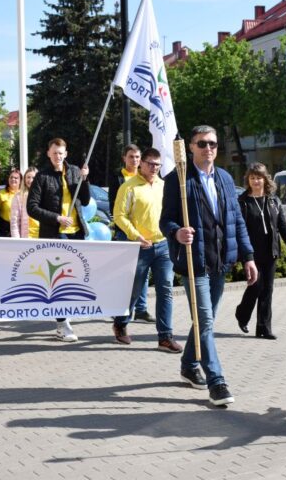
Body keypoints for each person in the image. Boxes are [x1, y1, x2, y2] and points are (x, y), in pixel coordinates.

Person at [160, 125, 258, 406]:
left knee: (205, 321)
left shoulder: (226, 179)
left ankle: (189, 365)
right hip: (194, 262)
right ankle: (216, 381)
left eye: (213, 144)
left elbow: (237, 220)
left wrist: (248, 256)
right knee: (204, 322)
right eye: (202, 143)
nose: (208, 148)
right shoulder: (177, 180)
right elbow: (164, 220)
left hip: (220, 262)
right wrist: (176, 231)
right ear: (190, 147)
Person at [111, 148, 181, 351]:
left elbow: (172, 213)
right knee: (133, 291)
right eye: (150, 163)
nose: (154, 168)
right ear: (141, 163)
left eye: (157, 165)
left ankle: (165, 336)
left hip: (163, 246)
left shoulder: (164, 186)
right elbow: (119, 215)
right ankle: (121, 324)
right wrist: (135, 236)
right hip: (138, 247)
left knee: (165, 290)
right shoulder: (129, 187)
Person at [27, 138, 90, 342]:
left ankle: (67, 315)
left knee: (74, 277)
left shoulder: (73, 171)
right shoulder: (42, 177)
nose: (58, 156)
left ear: (66, 153)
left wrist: (85, 179)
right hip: (55, 233)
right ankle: (62, 324)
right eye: (55, 153)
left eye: (61, 153)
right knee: (59, 279)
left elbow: (86, 200)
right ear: (48, 154)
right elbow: (32, 207)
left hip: (76, 232)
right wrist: (56, 218)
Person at [235, 163, 286, 339]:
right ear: (248, 180)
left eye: (259, 177)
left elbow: (283, 227)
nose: (256, 181)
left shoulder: (273, 201)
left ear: (265, 179)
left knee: (267, 290)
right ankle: (242, 314)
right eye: (252, 178)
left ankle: (263, 328)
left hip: (270, 251)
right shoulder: (243, 202)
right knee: (256, 286)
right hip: (251, 253)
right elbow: (238, 229)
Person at [109, 144, 154, 323]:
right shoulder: (118, 178)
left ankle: (141, 309)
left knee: (143, 271)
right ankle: (121, 308)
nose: (134, 160)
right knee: (126, 273)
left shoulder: (145, 176)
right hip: (125, 232)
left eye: (137, 157)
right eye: (131, 157)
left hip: (144, 234)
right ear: (124, 158)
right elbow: (116, 205)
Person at [10, 167, 40, 239]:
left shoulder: (44, 195)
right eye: (28, 177)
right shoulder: (18, 196)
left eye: (33, 177)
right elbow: (14, 221)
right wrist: (16, 239)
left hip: (42, 236)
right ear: (24, 179)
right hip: (27, 237)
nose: (30, 180)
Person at [0, 169, 21, 237]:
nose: (13, 179)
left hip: (20, 227)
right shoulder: (1, 193)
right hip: (4, 228)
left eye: (16, 178)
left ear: (20, 181)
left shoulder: (23, 194)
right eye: (11, 177)